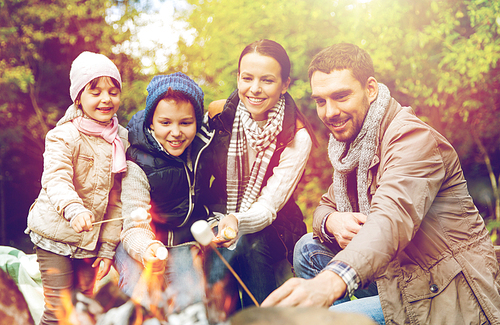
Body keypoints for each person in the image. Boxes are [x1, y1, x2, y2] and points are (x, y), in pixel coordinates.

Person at [262, 43, 500, 324]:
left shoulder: (412, 139)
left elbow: (389, 220)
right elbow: (326, 205)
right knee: (307, 248)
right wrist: (331, 221)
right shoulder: (355, 145)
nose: (329, 112)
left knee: (320, 320)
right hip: (397, 274)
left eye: (341, 96)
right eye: (321, 101)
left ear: (371, 89)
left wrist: (329, 283)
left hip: (444, 288)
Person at [207, 39, 316, 307]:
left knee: (250, 245)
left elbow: (268, 207)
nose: (254, 89)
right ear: (238, 78)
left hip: (275, 226)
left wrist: (236, 221)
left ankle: (263, 316)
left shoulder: (297, 137)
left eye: (267, 80)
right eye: (247, 78)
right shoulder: (219, 114)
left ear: (284, 84)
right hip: (220, 212)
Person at [26, 51, 128, 325]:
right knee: (58, 310)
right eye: (95, 92)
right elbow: (55, 178)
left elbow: (117, 199)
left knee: (83, 310)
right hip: (56, 236)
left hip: (90, 244)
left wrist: (107, 247)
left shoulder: (121, 140)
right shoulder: (64, 135)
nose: (106, 99)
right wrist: (73, 208)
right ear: (78, 97)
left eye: (113, 91)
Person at [114, 72, 219, 315]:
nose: (176, 132)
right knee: (140, 295)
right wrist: (147, 247)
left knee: (192, 302)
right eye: (165, 123)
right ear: (151, 122)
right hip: (140, 243)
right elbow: (133, 225)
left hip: (182, 242)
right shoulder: (138, 162)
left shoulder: (203, 150)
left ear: (197, 121)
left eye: (185, 123)